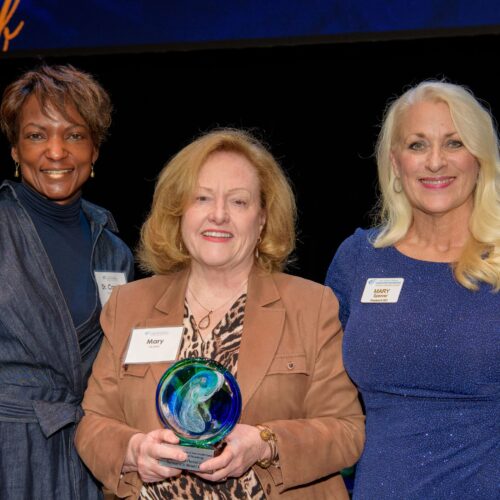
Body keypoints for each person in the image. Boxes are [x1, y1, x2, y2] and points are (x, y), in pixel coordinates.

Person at [75, 128, 365, 499]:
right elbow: (93, 424)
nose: (219, 215)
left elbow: (347, 430)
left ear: (262, 219)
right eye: (202, 198)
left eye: (239, 202)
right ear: (179, 212)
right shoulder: (129, 305)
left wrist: (265, 443)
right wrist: (132, 451)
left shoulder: (312, 305)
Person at [325, 80, 500, 499]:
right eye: (418, 145)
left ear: (480, 157)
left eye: (454, 143)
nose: (435, 162)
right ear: (394, 162)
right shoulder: (359, 259)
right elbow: (322, 394)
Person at [0, 64, 134, 499]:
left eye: (74, 135)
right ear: (16, 150)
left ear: (94, 149)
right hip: (8, 452)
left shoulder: (113, 249)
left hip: (84, 456)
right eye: (37, 136)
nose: (56, 152)